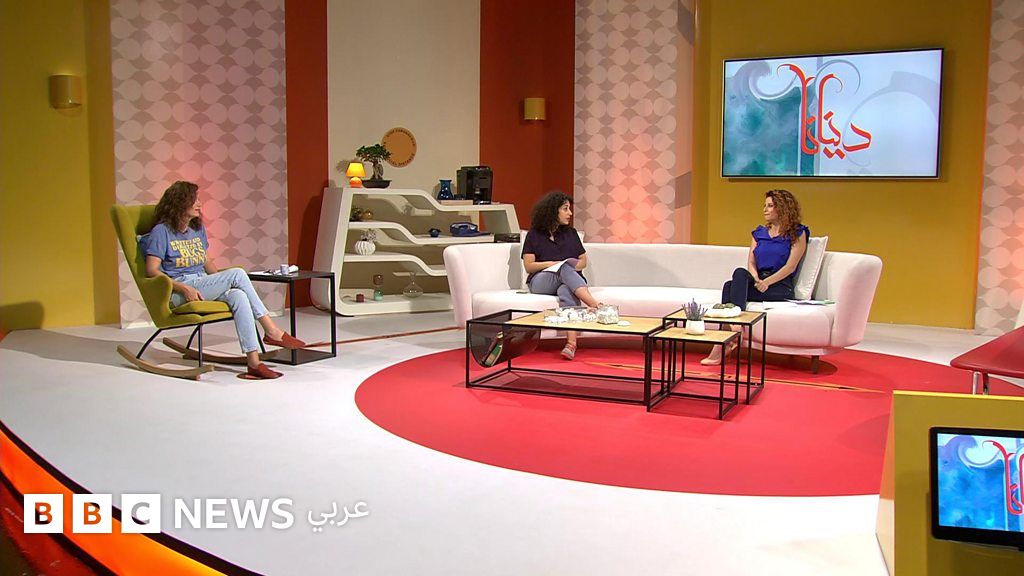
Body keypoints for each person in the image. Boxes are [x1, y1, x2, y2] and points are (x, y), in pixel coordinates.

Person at [144, 181, 305, 379]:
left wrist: (221, 282)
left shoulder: (196, 229)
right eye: (194, 200)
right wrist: (183, 288)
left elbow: (206, 262)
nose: (199, 204)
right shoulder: (162, 231)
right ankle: (271, 330)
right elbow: (151, 270)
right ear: (179, 202)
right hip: (179, 291)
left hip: (202, 283)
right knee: (237, 273)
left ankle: (253, 362)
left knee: (238, 295)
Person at [702, 189, 809, 365]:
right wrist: (757, 279)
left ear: (782, 208)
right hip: (759, 280)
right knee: (738, 274)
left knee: (729, 287)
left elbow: (790, 267)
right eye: (765, 206)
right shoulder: (759, 233)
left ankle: (723, 343)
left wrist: (767, 282)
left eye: (770, 206)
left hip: (780, 285)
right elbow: (751, 263)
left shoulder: (797, 233)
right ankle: (737, 326)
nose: (765, 210)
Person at [522, 191, 599, 360]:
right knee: (564, 268)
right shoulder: (534, 235)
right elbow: (529, 266)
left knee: (566, 290)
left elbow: (583, 261)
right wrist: (552, 265)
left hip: (567, 280)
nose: (570, 213)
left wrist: (568, 266)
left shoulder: (571, 233)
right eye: (565, 209)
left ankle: (571, 344)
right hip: (541, 281)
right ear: (552, 211)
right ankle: (595, 305)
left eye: (569, 209)